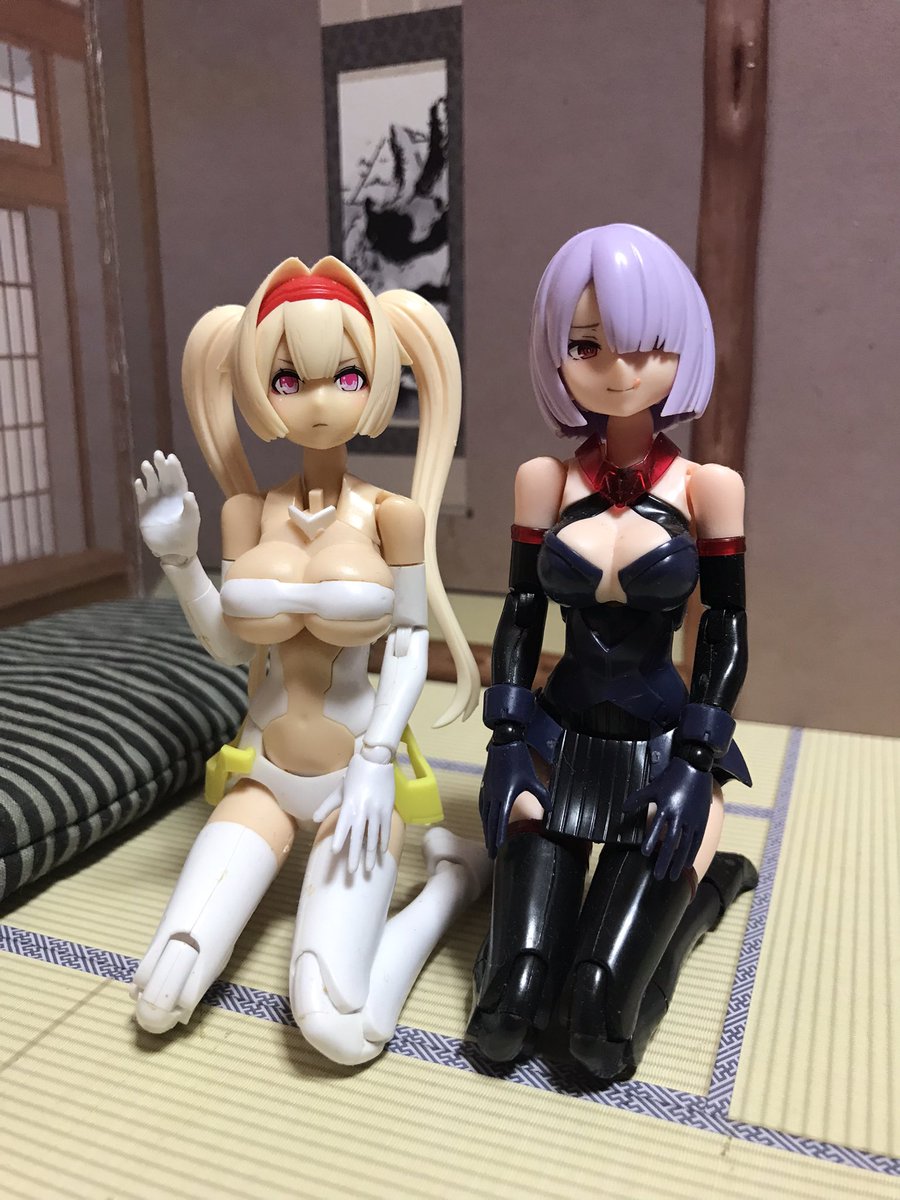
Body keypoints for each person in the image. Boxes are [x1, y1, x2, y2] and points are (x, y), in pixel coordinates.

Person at [131, 256, 487, 1065]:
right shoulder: (246, 511)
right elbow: (233, 644)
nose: (319, 402)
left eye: (346, 376)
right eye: (289, 381)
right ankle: (443, 880)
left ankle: (450, 885)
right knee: (160, 995)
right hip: (262, 775)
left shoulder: (392, 515)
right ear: (258, 389)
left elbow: (408, 643)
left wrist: (376, 761)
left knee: (334, 1024)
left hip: (356, 785)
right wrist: (180, 560)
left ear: (379, 380)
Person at [469, 225, 757, 1081]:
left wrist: (696, 764)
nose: (618, 370)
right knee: (508, 1014)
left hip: (662, 754)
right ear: (557, 355)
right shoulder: (544, 482)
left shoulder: (708, 489)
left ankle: (708, 888)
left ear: (682, 347)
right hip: (555, 746)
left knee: (598, 1029)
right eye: (587, 345)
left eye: (645, 344)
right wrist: (506, 739)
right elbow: (521, 613)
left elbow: (726, 628)